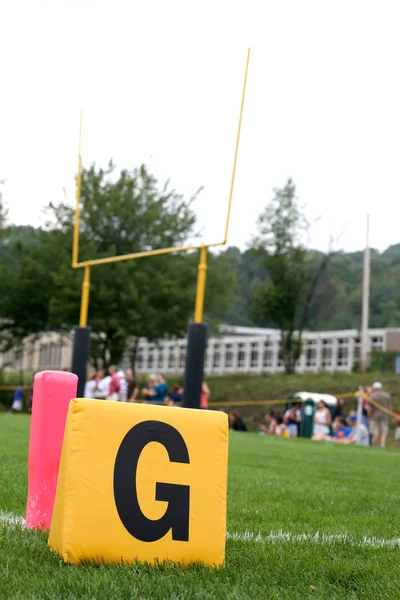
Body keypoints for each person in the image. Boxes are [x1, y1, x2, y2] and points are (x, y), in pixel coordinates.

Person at [368, 382, 392, 448]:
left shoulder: (372, 396)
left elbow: (369, 408)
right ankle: (382, 445)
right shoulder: (386, 395)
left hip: (374, 416)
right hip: (384, 416)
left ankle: (374, 446)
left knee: (375, 432)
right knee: (384, 431)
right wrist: (390, 416)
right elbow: (389, 407)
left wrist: (369, 416)